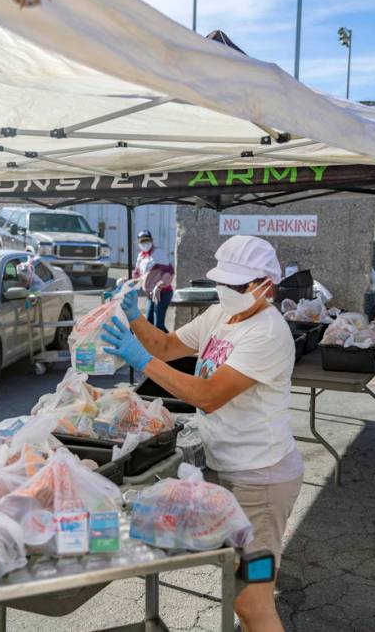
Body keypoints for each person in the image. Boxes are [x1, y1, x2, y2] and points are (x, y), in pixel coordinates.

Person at [101, 235, 302, 632]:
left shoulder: (267, 332)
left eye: (237, 286)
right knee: (241, 588)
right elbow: (166, 346)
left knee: (252, 600)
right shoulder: (220, 315)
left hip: (261, 480)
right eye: (223, 283)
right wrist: (136, 318)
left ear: (266, 285)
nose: (227, 292)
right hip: (228, 467)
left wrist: (140, 361)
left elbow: (209, 397)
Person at [131, 230, 174, 332]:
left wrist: (160, 285)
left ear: (152, 240)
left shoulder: (157, 253)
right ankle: (153, 347)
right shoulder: (141, 256)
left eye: (147, 240)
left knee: (158, 326)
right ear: (138, 243)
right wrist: (129, 280)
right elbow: (138, 273)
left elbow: (170, 271)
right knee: (149, 323)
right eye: (142, 241)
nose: (145, 243)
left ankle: (170, 344)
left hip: (162, 293)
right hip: (151, 294)